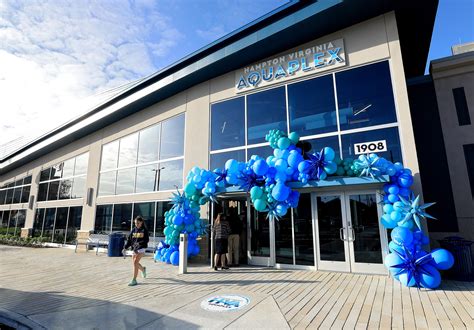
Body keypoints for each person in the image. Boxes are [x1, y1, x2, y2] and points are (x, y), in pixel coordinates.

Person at [124, 216, 149, 286]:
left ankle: (134, 280)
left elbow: (146, 240)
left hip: (141, 248)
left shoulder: (144, 230)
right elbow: (129, 240)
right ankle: (143, 269)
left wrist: (139, 245)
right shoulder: (133, 230)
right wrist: (125, 247)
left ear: (141, 222)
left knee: (135, 262)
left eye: (138, 223)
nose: (136, 224)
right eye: (135, 223)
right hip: (134, 249)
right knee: (135, 263)